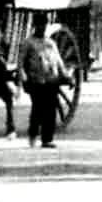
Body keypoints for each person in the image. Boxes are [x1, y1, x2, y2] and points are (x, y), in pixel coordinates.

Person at [20, 12, 69, 149]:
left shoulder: (50, 43)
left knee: (51, 110)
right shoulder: (28, 43)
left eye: (44, 24)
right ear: (35, 26)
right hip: (36, 81)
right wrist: (23, 77)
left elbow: (59, 61)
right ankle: (33, 135)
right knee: (37, 109)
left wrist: (66, 76)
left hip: (51, 80)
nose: (42, 27)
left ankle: (47, 139)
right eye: (39, 24)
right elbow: (21, 62)